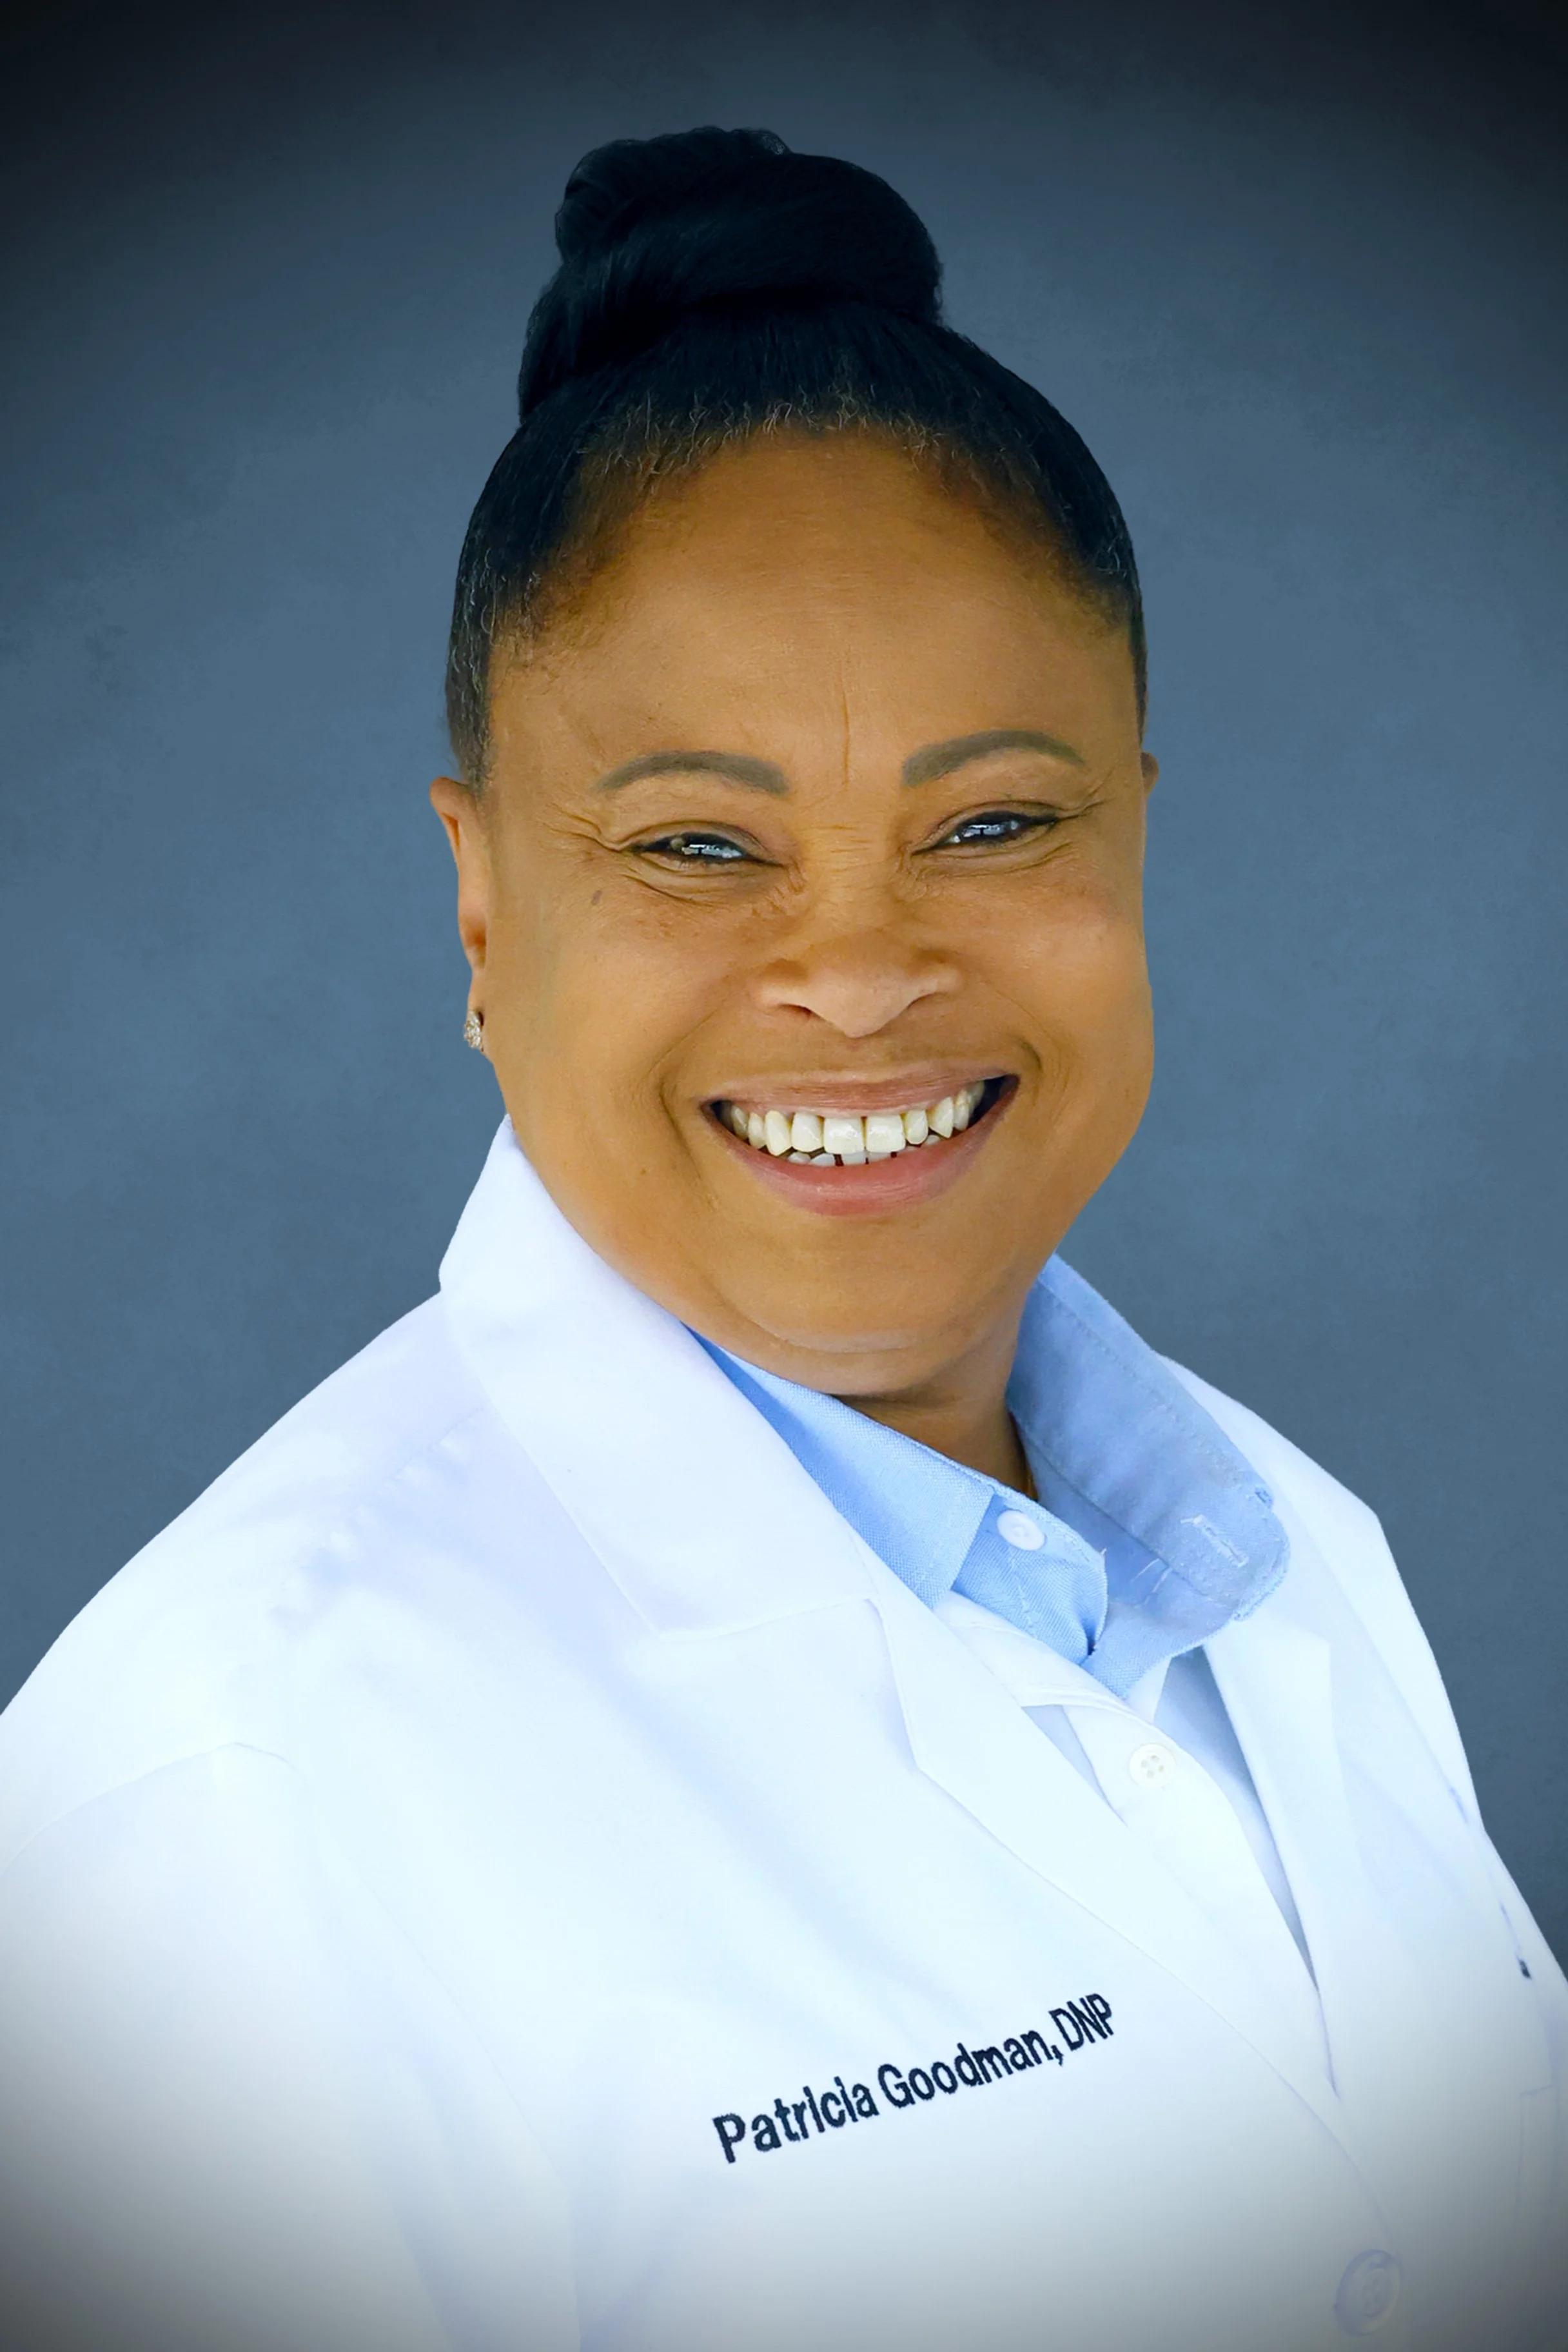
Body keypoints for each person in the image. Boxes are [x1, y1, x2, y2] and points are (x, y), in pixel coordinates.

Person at [0, 126, 1562, 2352]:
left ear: (1135, 837)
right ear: (481, 909)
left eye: (994, 823)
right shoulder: (228, 1803)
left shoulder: (1296, 1561)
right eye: (699, 847)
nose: (857, 973)